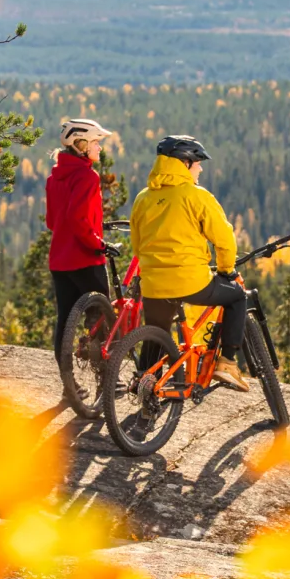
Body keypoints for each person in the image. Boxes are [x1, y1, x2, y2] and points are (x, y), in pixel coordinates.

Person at [129, 135, 249, 392]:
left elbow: (137, 246)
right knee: (238, 297)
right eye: (197, 163)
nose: (201, 168)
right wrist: (227, 270)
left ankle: (145, 381)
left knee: (155, 331)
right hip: (192, 283)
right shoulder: (196, 196)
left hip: (153, 284)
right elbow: (224, 239)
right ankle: (227, 363)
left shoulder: (143, 198)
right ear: (184, 163)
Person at [46, 118, 116, 363]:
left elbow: (53, 223)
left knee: (65, 322)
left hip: (59, 260)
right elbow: (78, 220)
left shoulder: (54, 178)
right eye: (96, 142)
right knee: (100, 319)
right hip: (86, 258)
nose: (99, 147)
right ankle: (107, 379)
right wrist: (99, 244)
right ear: (80, 144)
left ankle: (70, 386)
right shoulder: (88, 177)